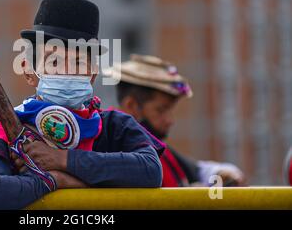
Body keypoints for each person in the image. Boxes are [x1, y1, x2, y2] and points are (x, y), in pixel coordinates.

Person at [0, 0, 164, 209]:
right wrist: (56, 181)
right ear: (28, 71)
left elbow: (150, 170)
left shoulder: (113, 126)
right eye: (54, 61)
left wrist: (63, 160)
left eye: (79, 62)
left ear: (92, 74)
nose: (67, 71)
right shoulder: (5, 134)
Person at [104, 54, 246, 187]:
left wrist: (221, 172)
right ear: (131, 105)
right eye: (161, 110)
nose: (170, 120)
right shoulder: (110, 144)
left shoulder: (149, 144)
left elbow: (196, 170)